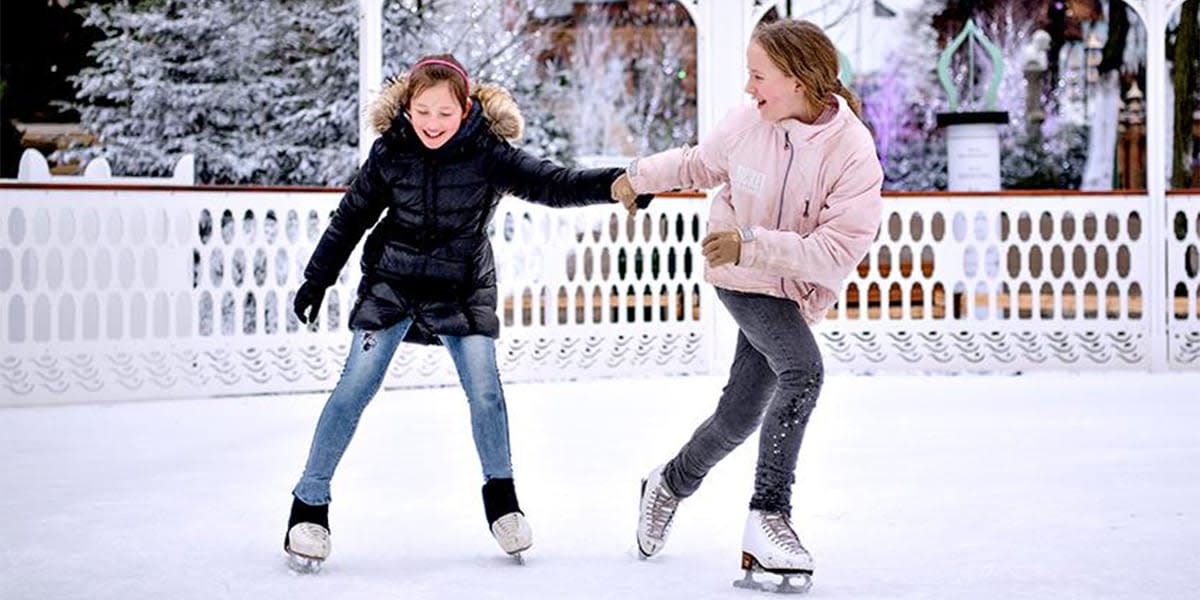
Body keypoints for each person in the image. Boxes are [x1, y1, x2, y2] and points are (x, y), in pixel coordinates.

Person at [284, 54, 646, 572]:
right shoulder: (391, 153)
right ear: (407, 107)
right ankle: (308, 508)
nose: (432, 123)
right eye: (422, 110)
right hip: (394, 283)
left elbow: (553, 183)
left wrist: (616, 183)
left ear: (466, 109)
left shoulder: (488, 154)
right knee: (354, 386)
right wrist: (317, 278)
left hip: (461, 286)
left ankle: (503, 503)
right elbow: (352, 217)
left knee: (485, 390)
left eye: (444, 113)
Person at [612, 19, 883, 592]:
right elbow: (697, 165)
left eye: (758, 76)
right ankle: (769, 516)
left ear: (799, 80)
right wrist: (638, 177)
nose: (748, 88)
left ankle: (668, 482)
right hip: (739, 276)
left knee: (739, 416)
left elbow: (835, 250)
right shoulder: (749, 123)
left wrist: (754, 241)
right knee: (803, 373)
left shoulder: (853, 152)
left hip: (791, 282)